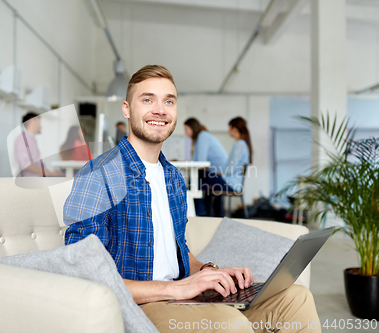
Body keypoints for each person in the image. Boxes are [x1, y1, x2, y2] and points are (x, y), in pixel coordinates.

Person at [63, 65, 320, 333]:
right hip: (136, 307)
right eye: (147, 99)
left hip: (182, 296)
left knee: (297, 299)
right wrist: (176, 288)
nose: (160, 109)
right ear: (127, 109)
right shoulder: (99, 174)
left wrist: (208, 271)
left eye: (169, 101)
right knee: (229, 324)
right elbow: (85, 272)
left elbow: (178, 249)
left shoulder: (173, 177)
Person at [206, 117, 252, 217]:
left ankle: (204, 214)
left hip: (231, 183)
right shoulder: (242, 144)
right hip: (232, 181)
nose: (228, 130)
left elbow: (231, 169)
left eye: (229, 127)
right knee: (209, 183)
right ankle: (217, 215)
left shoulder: (239, 145)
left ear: (234, 129)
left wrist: (220, 173)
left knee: (203, 177)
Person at [184, 117, 228, 216]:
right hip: (216, 174)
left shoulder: (202, 136)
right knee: (198, 181)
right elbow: (195, 161)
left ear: (192, 128)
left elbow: (200, 162)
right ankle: (204, 212)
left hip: (221, 175)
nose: (185, 132)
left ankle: (200, 213)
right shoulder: (198, 139)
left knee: (194, 181)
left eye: (186, 129)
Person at [14, 112, 62, 177]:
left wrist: (50, 173)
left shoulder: (30, 139)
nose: (41, 126)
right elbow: (26, 165)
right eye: (39, 123)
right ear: (32, 122)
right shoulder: (23, 139)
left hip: (39, 177)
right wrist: (49, 174)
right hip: (34, 180)